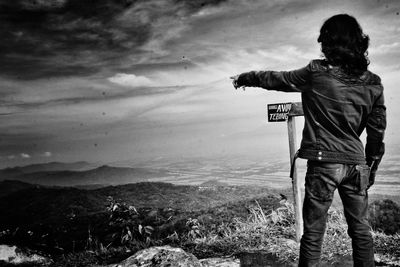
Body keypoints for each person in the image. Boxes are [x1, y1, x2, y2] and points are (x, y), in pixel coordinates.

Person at [231, 14, 386, 267]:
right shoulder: (374, 84)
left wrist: (245, 77)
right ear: (358, 43)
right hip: (357, 164)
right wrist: (371, 168)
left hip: (324, 163)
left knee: (314, 234)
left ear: (328, 43)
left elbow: (277, 79)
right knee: (361, 231)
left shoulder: (316, 73)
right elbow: (377, 132)